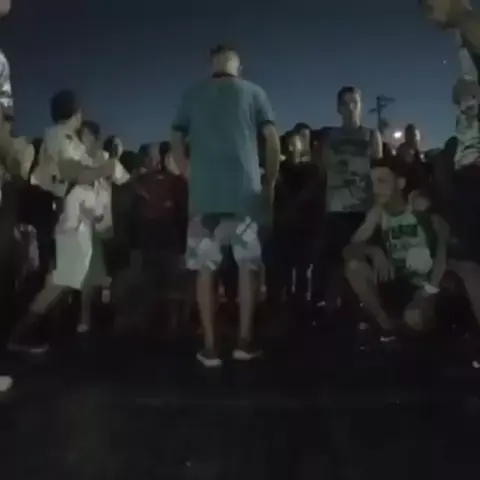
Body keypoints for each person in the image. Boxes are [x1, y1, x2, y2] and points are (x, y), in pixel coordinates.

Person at [171, 44, 280, 367]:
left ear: (212, 65)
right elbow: (272, 139)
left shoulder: (192, 94)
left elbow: (176, 138)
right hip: (245, 195)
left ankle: (209, 347)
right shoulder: (254, 92)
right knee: (248, 268)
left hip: (204, 198)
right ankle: (244, 342)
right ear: (238, 66)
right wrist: (270, 182)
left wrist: (188, 172)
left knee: (206, 270)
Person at [8, 90, 118, 353]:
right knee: (59, 278)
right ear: (76, 113)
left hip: (60, 214)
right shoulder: (59, 136)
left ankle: (32, 329)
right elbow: (71, 171)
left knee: (58, 278)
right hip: (57, 214)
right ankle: (20, 333)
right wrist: (102, 170)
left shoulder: (64, 138)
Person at [344, 158, 449, 342]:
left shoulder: (419, 206)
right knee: (353, 267)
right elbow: (348, 250)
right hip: (396, 278)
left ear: (400, 183)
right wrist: (372, 251)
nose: (375, 189)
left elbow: (442, 249)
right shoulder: (378, 212)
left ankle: (425, 329)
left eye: (382, 181)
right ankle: (385, 325)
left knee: (414, 318)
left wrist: (429, 291)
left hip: (426, 283)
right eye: (372, 183)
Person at [311, 86, 382, 309]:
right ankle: (329, 313)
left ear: (361, 106)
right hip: (336, 210)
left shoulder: (371, 135)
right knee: (333, 266)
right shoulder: (330, 137)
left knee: (359, 263)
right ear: (338, 108)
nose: (350, 108)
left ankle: (364, 311)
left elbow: (379, 170)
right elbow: (322, 171)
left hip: (363, 211)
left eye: (355, 103)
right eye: (345, 103)